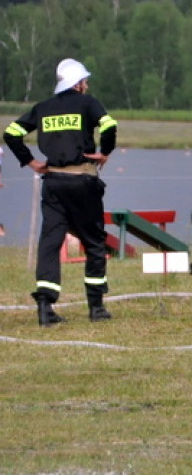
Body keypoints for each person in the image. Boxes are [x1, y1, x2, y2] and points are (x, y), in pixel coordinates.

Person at [3, 58, 117, 326]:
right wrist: (105, 152)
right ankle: (96, 308)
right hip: (82, 182)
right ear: (78, 84)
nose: (87, 86)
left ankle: (45, 307)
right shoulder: (88, 103)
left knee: (51, 243)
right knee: (94, 242)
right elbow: (110, 126)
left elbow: (11, 133)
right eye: (85, 82)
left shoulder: (43, 108)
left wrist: (30, 161)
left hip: (53, 183)